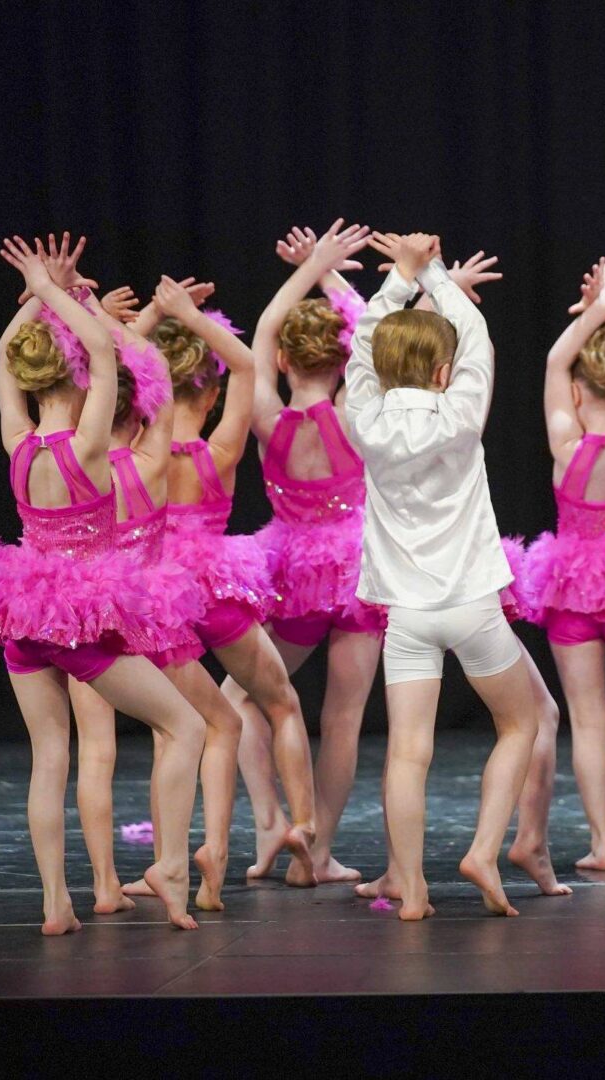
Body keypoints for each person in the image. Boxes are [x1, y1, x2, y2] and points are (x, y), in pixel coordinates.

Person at [0, 235, 205, 932]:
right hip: (80, 619)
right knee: (185, 724)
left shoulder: (17, 442)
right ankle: (171, 864)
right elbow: (111, 353)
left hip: (23, 614)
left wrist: (34, 297)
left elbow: (1, 356)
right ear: (80, 378)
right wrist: (60, 295)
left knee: (50, 757)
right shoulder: (89, 444)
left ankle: (56, 903)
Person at [345, 230, 540, 920]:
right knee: (525, 720)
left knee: (408, 753)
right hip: (471, 606)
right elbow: (476, 333)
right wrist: (435, 275)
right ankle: (485, 848)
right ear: (441, 373)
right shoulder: (460, 415)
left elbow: (363, 348)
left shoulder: (361, 418)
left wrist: (401, 278)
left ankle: (413, 890)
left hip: (406, 616)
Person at [65, 261, 244, 913]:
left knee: (99, 747)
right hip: (141, 615)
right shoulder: (150, 460)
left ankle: (104, 886)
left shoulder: (75, 459)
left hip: (77, 613)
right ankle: (184, 860)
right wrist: (167, 321)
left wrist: (83, 309)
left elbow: (92, 376)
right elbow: (144, 379)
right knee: (206, 723)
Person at [136, 274, 319, 882]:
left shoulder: (140, 447)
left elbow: (109, 369)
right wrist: (192, 315)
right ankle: (304, 824)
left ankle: (187, 858)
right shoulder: (222, 448)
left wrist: (153, 323)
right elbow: (246, 366)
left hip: (160, 593)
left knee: (176, 730)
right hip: (217, 589)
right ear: (210, 396)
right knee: (281, 704)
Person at [220, 220, 384, 886]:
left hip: (292, 572)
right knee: (341, 719)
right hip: (360, 574)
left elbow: (261, 328)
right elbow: (373, 332)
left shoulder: (267, 413)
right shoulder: (354, 413)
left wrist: (305, 270)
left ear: (283, 362)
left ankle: (269, 823)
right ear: (344, 364)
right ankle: (316, 853)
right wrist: (329, 273)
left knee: (238, 697)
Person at [524, 256, 605, 870]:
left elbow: (553, 359)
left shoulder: (563, 438)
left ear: (578, 391)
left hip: (571, 592)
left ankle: (601, 844)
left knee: (589, 720)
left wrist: (597, 311)